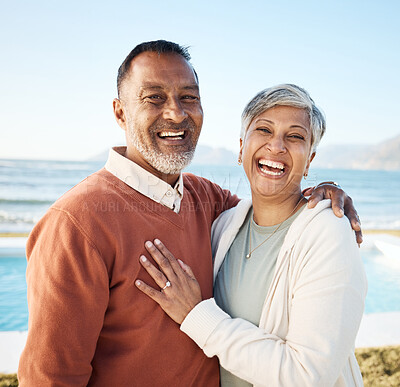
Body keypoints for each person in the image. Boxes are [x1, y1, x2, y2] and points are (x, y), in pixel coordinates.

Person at [18, 40, 361, 386]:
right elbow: (51, 377)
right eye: (154, 97)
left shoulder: (207, 201)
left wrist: (324, 192)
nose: (176, 113)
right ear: (120, 112)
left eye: (189, 97)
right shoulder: (76, 222)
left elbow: (272, 206)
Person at [136, 84, 367, 386]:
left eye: (295, 136)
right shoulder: (224, 226)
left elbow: (308, 376)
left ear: (309, 160)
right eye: (264, 130)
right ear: (242, 147)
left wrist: (196, 315)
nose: (276, 146)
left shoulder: (329, 234)